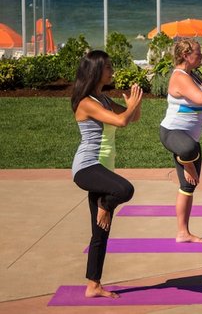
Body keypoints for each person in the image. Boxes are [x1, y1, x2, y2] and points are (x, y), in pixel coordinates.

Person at [71, 50, 143, 299]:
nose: (112, 71)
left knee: (101, 231)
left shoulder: (102, 98)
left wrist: (135, 103)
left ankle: (93, 285)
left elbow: (132, 118)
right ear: (96, 71)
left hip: (103, 169)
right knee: (125, 189)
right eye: (108, 67)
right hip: (87, 166)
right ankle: (105, 203)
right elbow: (120, 121)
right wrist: (130, 108)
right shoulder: (86, 102)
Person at [160, 39, 202, 244]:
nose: (201, 56)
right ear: (186, 55)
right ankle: (187, 162)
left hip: (190, 137)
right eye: (198, 53)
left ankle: (183, 232)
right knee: (189, 149)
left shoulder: (192, 75)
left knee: (188, 186)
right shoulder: (180, 76)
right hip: (173, 132)